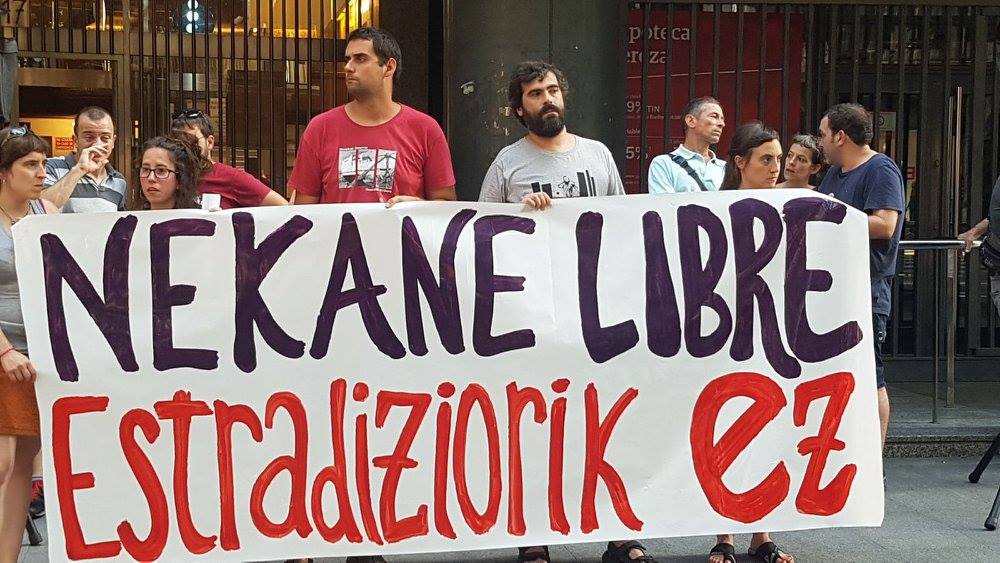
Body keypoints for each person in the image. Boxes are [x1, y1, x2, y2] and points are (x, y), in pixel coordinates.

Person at [479, 61, 653, 563]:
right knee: (535, 425)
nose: (547, 99)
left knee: (605, 420)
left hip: (595, 314)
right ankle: (534, 537)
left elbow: (622, 224)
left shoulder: (597, 155)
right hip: (533, 316)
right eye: (535, 93)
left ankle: (618, 534)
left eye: (552, 89)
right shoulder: (507, 164)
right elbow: (481, 232)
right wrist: (519, 214)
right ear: (520, 109)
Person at [712, 121, 796, 563]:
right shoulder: (715, 209)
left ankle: (761, 533)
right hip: (726, 333)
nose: (775, 167)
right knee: (726, 426)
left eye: (778, 159)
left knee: (768, 426)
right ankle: (724, 534)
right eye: (766, 159)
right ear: (740, 162)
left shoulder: (790, 207)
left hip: (772, 333)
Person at [818, 103, 905, 450]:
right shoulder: (834, 174)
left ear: (840, 136)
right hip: (833, 290)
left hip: (866, 289)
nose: (821, 142)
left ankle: (875, 462)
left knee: (871, 377)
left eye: (823, 134)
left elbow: (885, 224)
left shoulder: (881, 169)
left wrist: (831, 214)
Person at [288, 26, 455, 207]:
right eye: (348, 59)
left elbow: (446, 206)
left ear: (389, 67)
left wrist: (418, 206)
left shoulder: (425, 129)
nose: (348, 67)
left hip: (402, 227)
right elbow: (303, 212)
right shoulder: (320, 128)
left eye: (361, 59)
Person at [0, 125, 59, 561]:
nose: (42, 173)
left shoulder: (45, 212)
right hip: (6, 353)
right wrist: (4, 350)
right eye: (31, 164)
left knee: (23, 462)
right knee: (3, 462)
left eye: (44, 164)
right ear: (5, 172)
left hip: (34, 357)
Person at [170, 109, 288, 208]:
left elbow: (282, 208)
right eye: (178, 143)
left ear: (209, 142)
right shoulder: (169, 177)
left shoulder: (233, 178)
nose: (186, 148)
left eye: (192, 141)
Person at [42, 106, 127, 212]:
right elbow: (39, 208)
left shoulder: (119, 181)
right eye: (89, 137)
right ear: (75, 140)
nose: (97, 144)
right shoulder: (51, 166)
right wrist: (79, 170)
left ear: (113, 141)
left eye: (105, 138)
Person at [647, 96, 727, 193]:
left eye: (722, 119)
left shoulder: (726, 168)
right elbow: (665, 202)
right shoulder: (663, 164)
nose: (722, 124)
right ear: (690, 121)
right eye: (714, 116)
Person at [131, 133, 209, 211]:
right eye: (145, 169)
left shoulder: (199, 216)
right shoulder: (131, 217)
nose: (151, 178)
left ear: (180, 179)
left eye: (161, 170)